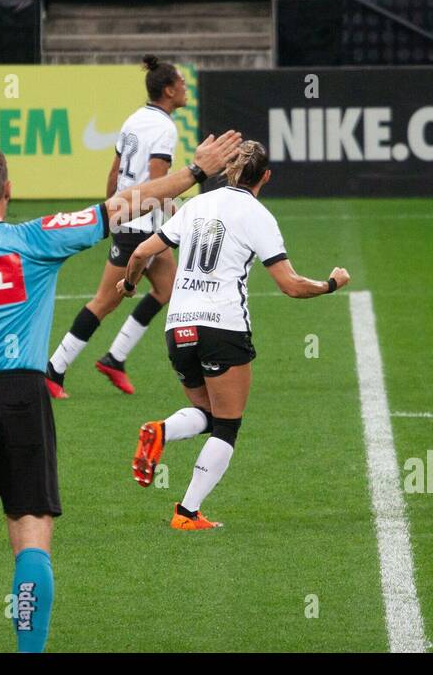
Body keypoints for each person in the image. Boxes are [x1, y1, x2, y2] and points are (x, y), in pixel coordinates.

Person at [0, 131, 242, 651]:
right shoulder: (36, 238)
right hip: (20, 399)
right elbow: (124, 205)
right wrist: (195, 172)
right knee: (31, 534)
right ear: (7, 190)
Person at [115, 141, 350, 530]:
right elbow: (290, 285)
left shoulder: (196, 205)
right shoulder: (258, 216)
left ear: (227, 171)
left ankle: (162, 431)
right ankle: (187, 512)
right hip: (222, 327)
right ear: (266, 177)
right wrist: (331, 284)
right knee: (227, 425)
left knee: (208, 414)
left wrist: (128, 285)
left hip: (179, 328)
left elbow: (140, 252)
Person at [45, 55, 189, 399]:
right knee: (105, 302)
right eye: (182, 83)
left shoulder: (134, 119)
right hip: (139, 225)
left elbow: (114, 171)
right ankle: (54, 369)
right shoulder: (165, 129)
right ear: (168, 90)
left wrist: (111, 214)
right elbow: (158, 182)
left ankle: (115, 358)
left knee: (167, 289)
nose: (186, 88)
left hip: (131, 219)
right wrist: (182, 217)